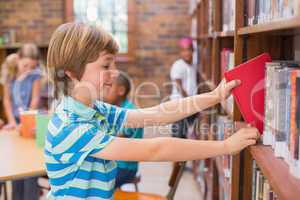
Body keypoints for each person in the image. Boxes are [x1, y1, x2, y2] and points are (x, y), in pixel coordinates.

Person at [45, 22, 259, 200]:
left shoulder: (95, 109)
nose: (115, 72)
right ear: (72, 73)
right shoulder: (72, 126)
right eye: (105, 66)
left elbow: (157, 113)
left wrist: (214, 96)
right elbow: (155, 150)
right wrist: (225, 146)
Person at [2, 44, 41, 200]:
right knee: (15, 164)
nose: (28, 70)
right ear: (18, 59)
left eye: (32, 67)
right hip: (13, 123)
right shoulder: (8, 73)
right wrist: (12, 121)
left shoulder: (35, 76)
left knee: (29, 164)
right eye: (25, 65)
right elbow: (6, 100)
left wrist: (26, 120)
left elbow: (35, 98)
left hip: (30, 121)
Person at [103, 72, 144, 188]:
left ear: (120, 91)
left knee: (91, 180)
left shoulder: (130, 112)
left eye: (108, 87)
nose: (104, 92)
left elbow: (113, 138)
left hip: (124, 168)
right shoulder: (115, 110)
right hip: (115, 165)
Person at [170, 37, 198, 139]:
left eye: (188, 50)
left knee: (186, 131)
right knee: (178, 132)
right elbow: (178, 86)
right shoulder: (178, 65)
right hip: (179, 104)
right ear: (180, 52)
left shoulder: (193, 65)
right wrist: (190, 101)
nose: (186, 53)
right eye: (183, 50)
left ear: (193, 51)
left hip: (189, 104)